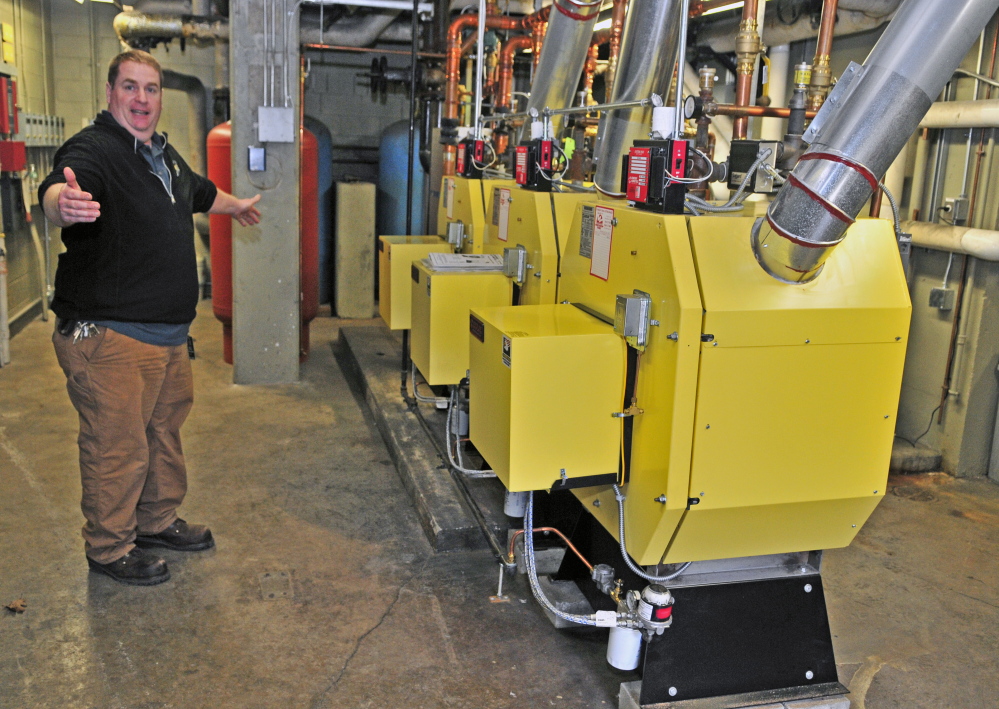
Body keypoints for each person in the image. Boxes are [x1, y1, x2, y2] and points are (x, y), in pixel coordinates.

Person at [39, 50, 261, 586]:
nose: (142, 99)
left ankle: (156, 522)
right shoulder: (96, 148)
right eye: (130, 87)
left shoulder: (162, 155)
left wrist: (236, 205)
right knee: (116, 447)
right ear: (110, 92)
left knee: (162, 434)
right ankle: (109, 547)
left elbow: (200, 192)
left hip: (166, 337)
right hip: (111, 336)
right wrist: (61, 203)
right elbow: (60, 187)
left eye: (152, 88)